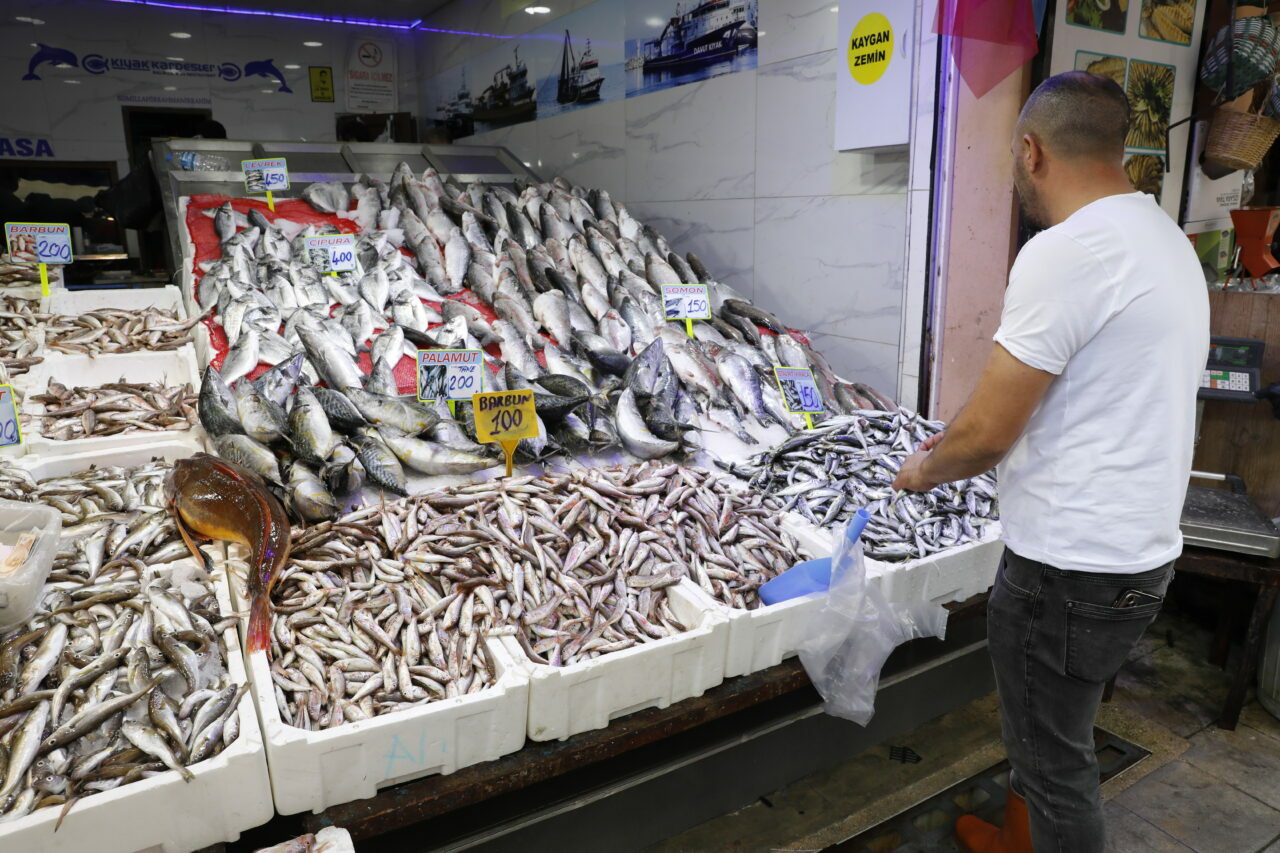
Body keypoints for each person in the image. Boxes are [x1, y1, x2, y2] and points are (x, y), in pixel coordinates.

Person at [892, 71, 1209, 853]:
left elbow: (989, 432)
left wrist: (923, 469)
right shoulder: (1164, 239)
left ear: (1031, 151)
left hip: (1068, 572)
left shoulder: (1066, 253)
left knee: (1055, 759)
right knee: (1055, 731)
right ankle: (1016, 839)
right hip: (1139, 557)